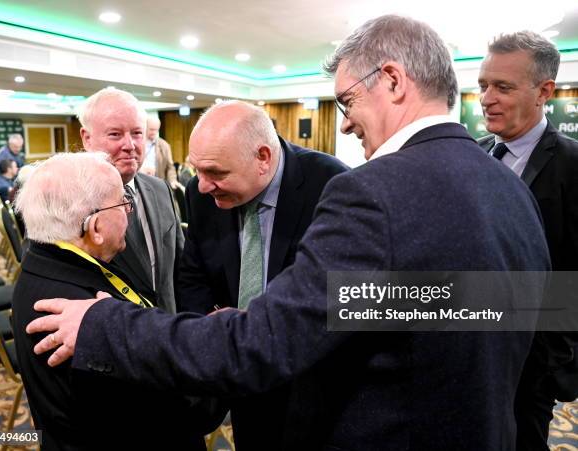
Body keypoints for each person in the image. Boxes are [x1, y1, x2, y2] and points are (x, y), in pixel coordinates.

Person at [28, 15, 550, 450]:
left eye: (346, 100)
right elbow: (489, 313)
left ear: (392, 80)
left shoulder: (369, 192)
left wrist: (105, 326)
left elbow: (264, 344)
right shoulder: (507, 184)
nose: (344, 123)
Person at [177, 100, 348, 449]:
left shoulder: (333, 185)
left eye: (216, 173)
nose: (204, 185)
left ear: (263, 158)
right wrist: (213, 333)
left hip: (309, 380)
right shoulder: (201, 193)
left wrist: (261, 327)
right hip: (239, 377)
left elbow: (338, 294)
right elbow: (191, 274)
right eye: (197, 171)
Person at [12, 152, 207, 450]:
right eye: (123, 201)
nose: (129, 210)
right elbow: (172, 415)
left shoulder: (40, 262)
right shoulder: (83, 314)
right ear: (96, 228)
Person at [477, 30, 578, 451]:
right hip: (468, 346)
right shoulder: (472, 154)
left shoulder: (573, 166)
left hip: (532, 364)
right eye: (483, 85)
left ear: (544, 91)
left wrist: (557, 362)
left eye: (502, 87)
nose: (486, 99)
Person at [79, 88, 183, 312]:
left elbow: (181, 269)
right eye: (115, 134)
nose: (130, 145)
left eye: (137, 133)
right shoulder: (65, 203)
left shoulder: (160, 190)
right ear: (87, 138)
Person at [140, 115, 179, 187]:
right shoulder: (138, 143)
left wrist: (173, 180)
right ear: (145, 127)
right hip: (140, 182)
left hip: (157, 184)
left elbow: (170, 167)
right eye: (151, 129)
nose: (154, 132)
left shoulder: (164, 145)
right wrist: (141, 170)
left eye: (156, 130)